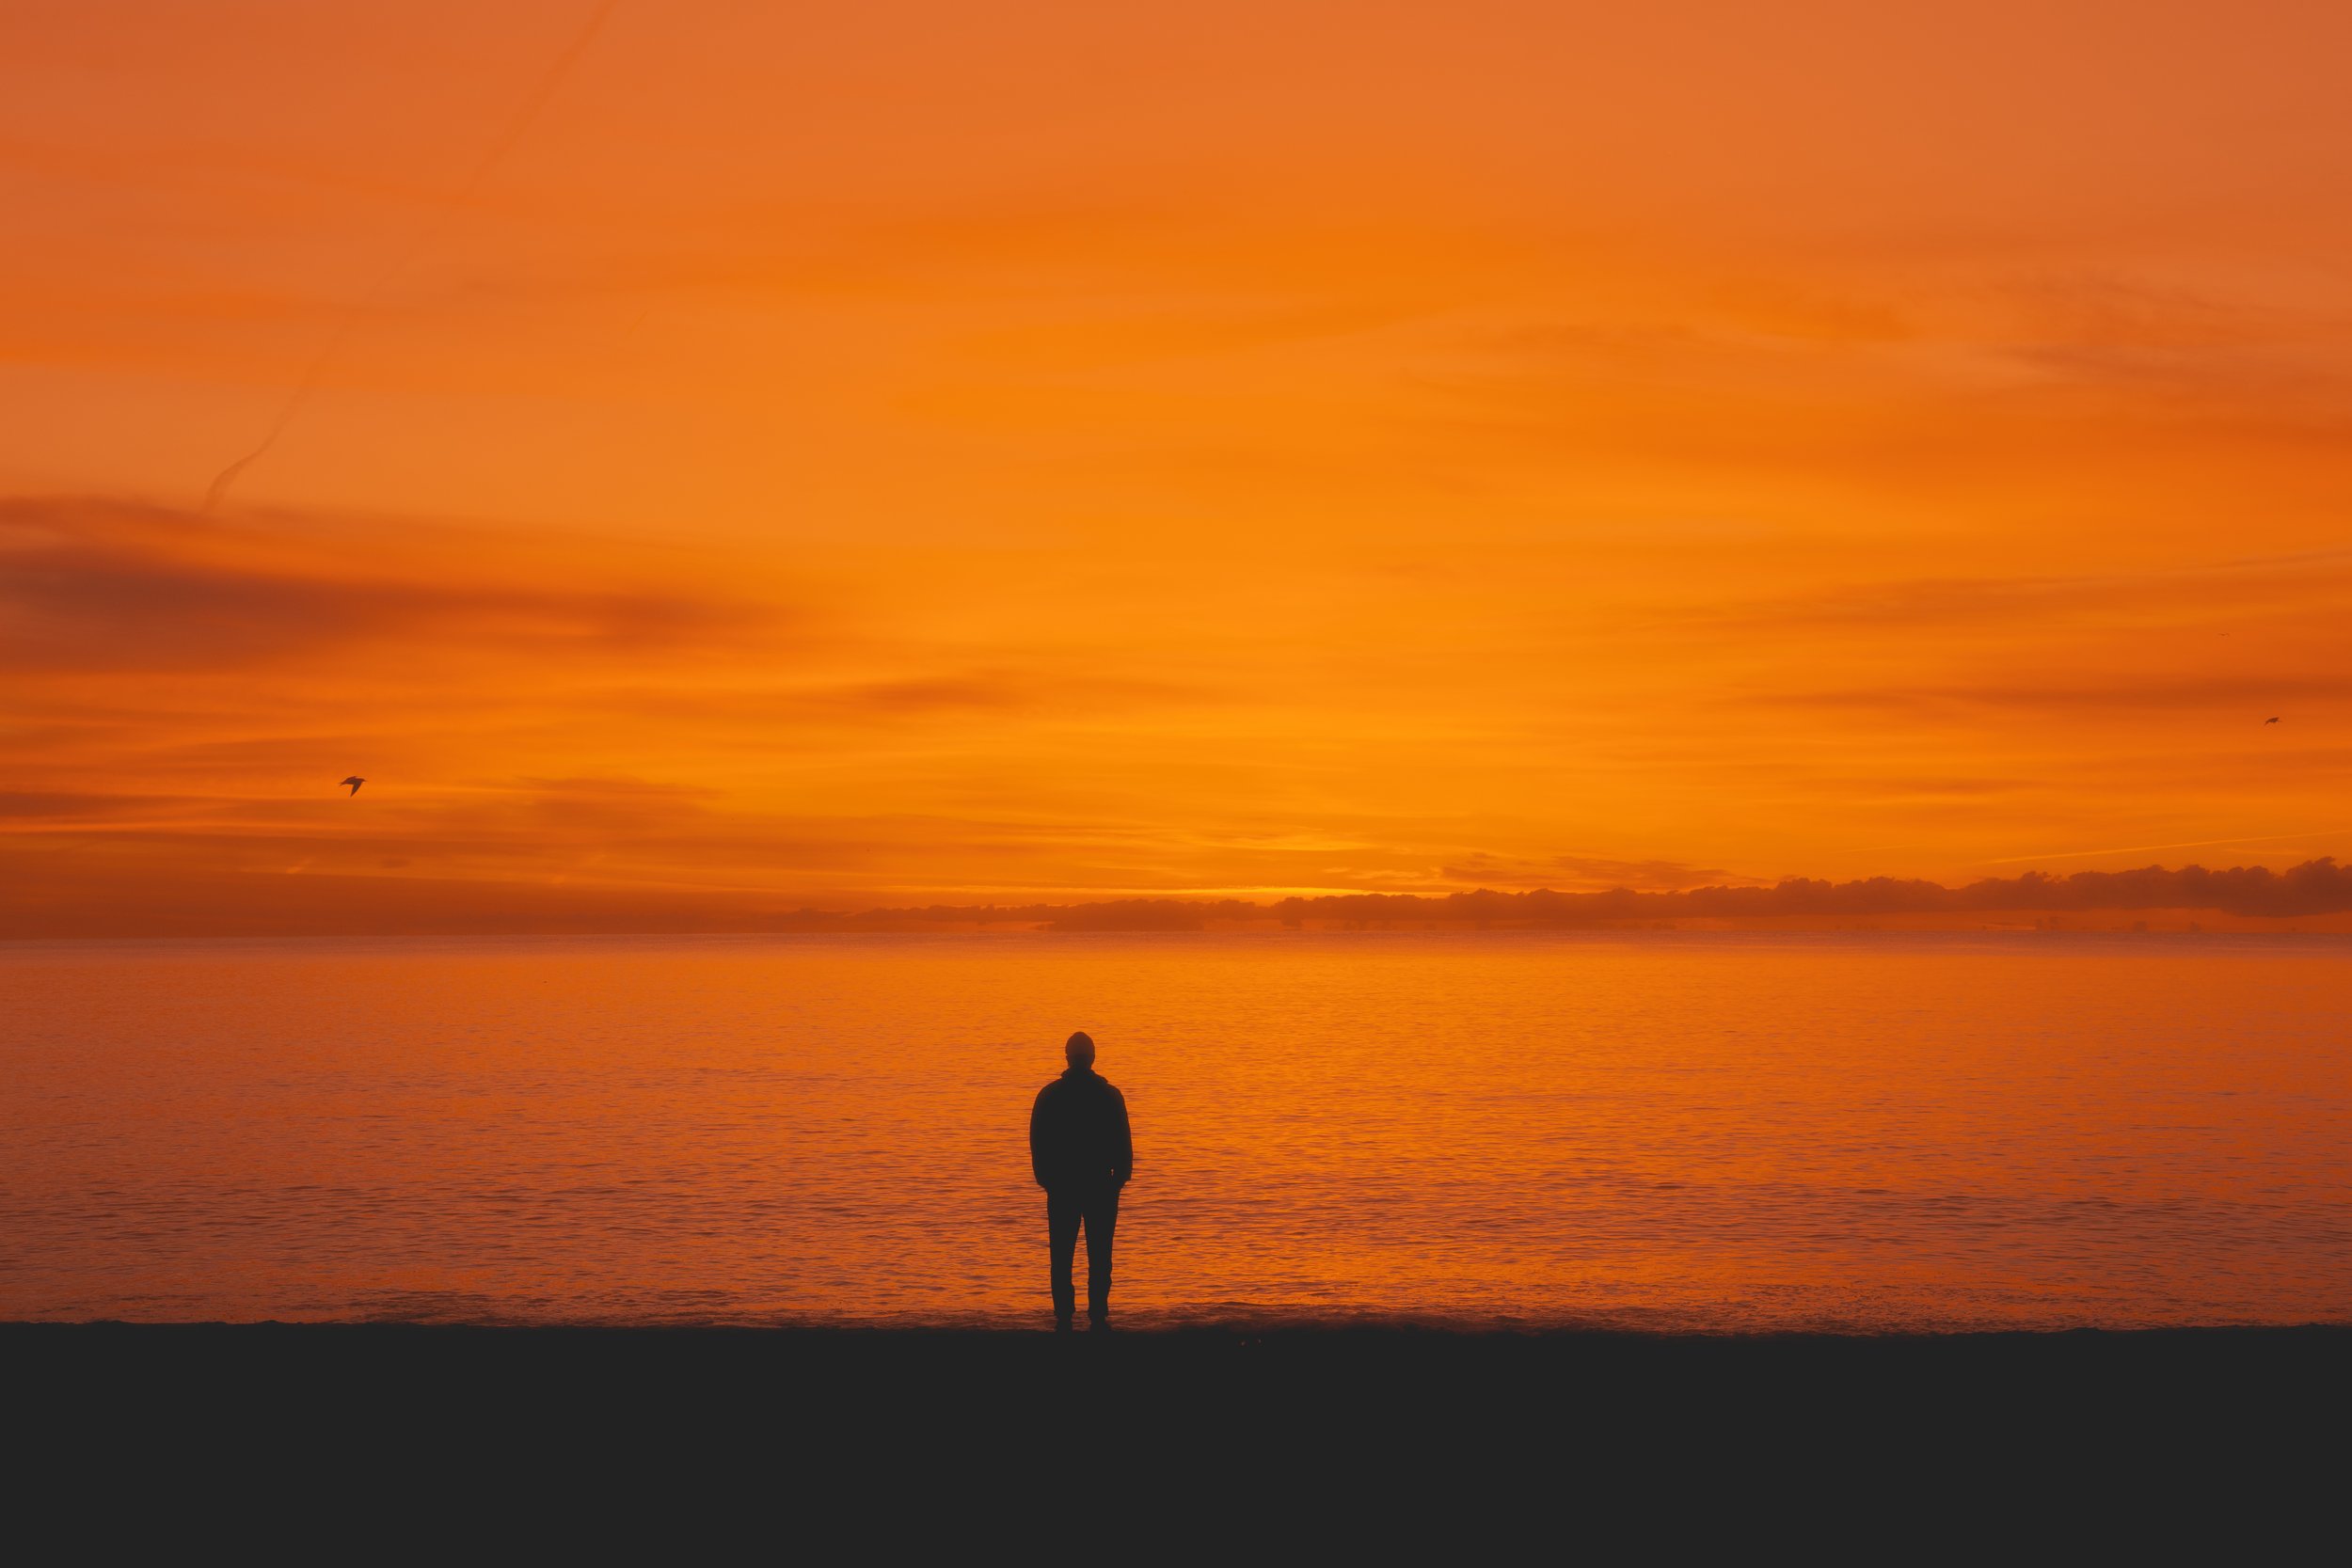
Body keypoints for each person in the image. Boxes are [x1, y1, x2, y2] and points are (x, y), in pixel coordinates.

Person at [1028, 1030, 1133, 1330]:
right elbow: (1123, 1142)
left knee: (1061, 1255)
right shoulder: (1109, 1095)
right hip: (1100, 1185)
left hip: (1062, 1186)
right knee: (1101, 1255)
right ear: (1092, 1058)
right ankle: (1098, 1313)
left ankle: (1064, 1315)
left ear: (1067, 1058)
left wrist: (1046, 1179)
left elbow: (1038, 1141)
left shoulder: (1049, 1095)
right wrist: (1119, 1180)